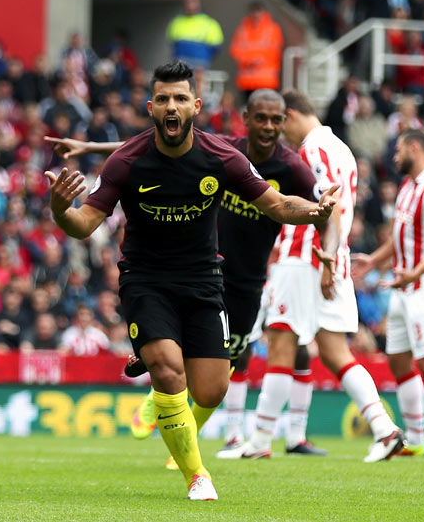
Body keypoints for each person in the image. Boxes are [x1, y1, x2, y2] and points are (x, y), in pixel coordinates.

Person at [44, 61, 337, 501]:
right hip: (146, 280)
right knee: (167, 368)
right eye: (163, 99)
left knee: (213, 388)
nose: (172, 106)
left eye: (180, 98)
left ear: (195, 106)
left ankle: (160, 353)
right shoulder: (128, 160)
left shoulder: (221, 157)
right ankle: (197, 474)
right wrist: (59, 210)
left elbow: (277, 205)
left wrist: (316, 212)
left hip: (204, 282)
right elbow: (85, 223)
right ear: (151, 107)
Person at [220, 89, 403, 463]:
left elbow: (327, 205)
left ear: (288, 116)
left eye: (278, 122)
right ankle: (385, 429)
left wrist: (326, 259)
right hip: (331, 258)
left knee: (281, 346)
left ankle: (259, 440)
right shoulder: (341, 148)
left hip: (307, 256)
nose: (275, 133)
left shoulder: (312, 150)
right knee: (337, 353)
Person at [352, 129, 424, 462]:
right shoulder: (407, 188)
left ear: (415, 147)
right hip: (403, 286)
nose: (394, 156)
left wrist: (416, 272)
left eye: (398, 150)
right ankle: (417, 438)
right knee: (397, 359)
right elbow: (400, 238)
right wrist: (374, 260)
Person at [230, 2, 284, 101]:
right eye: (253, 12)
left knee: (266, 108)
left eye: (258, 12)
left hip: (266, 80)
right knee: (249, 108)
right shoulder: (242, 29)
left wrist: (257, 59)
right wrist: (249, 60)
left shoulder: (272, 29)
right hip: (246, 81)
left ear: (263, 13)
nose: (256, 15)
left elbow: (275, 51)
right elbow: (235, 50)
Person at [166, 0, 223, 71]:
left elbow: (216, 46)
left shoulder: (209, 23)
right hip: (180, 61)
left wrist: (205, 58)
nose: (190, 5)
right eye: (188, 3)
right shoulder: (177, 22)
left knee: (198, 82)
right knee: (181, 81)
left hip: (200, 63)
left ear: (199, 5)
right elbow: (172, 42)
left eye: (193, 2)